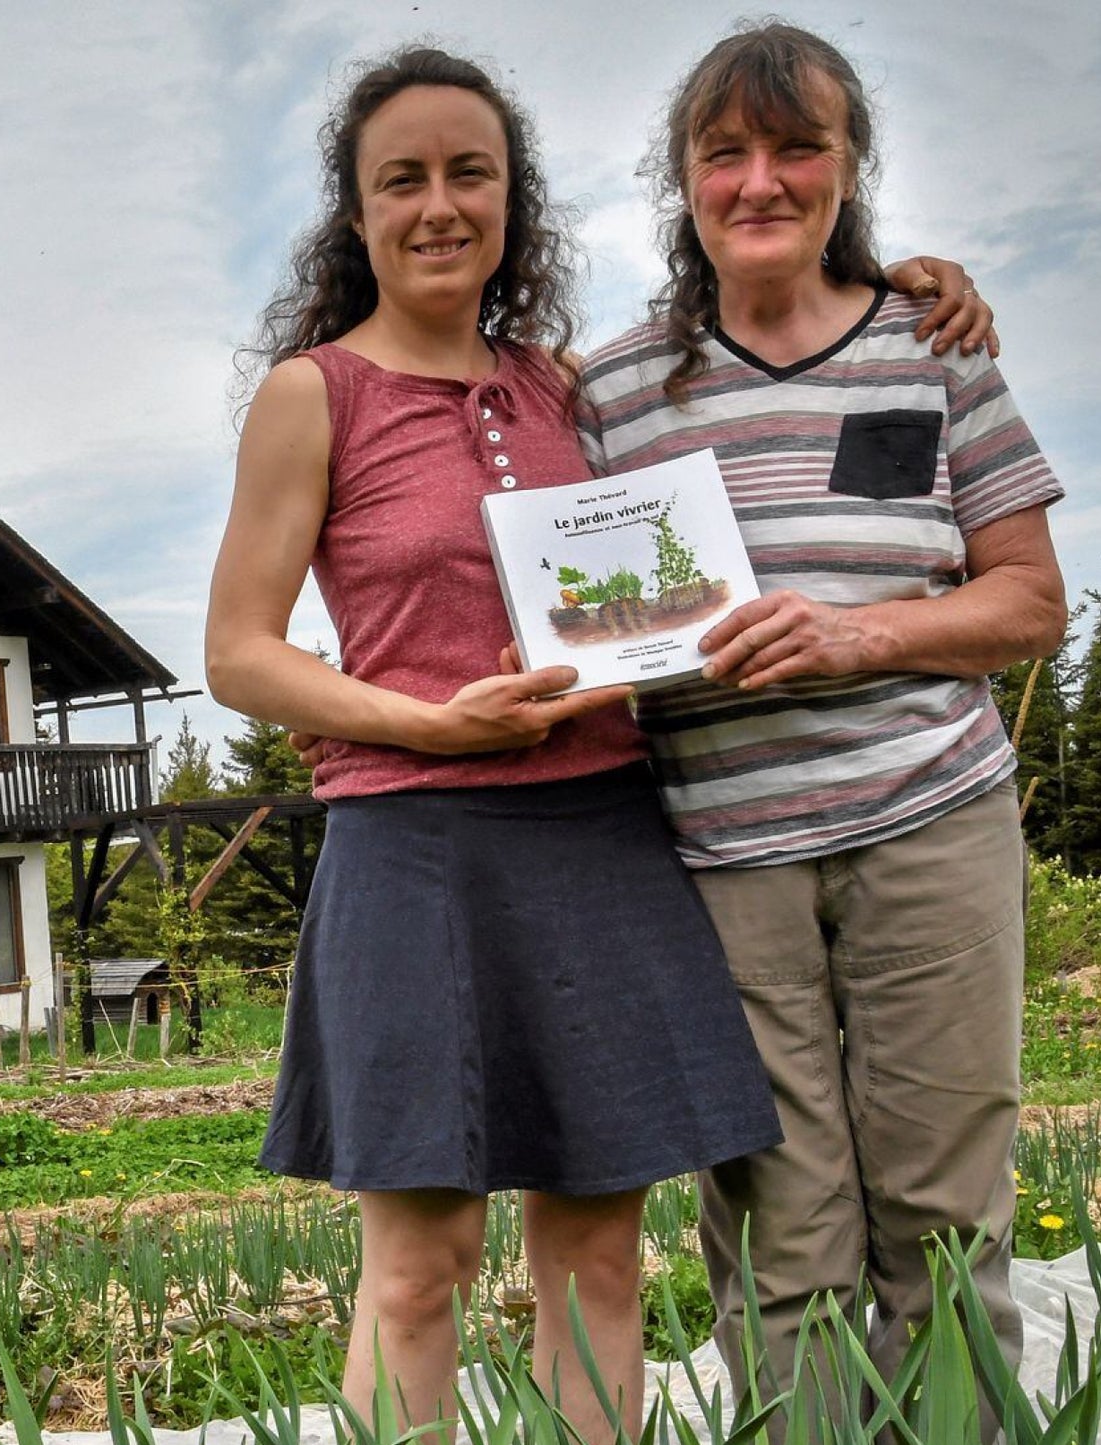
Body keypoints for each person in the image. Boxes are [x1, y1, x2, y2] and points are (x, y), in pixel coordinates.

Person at [210, 44, 991, 1442]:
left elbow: (748, 367)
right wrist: (423, 722)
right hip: (413, 848)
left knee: (597, 1259)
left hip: (602, 834)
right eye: (404, 179)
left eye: (471, 173)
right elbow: (239, 656)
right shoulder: (310, 395)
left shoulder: (574, 390)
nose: (440, 204)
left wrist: (908, 280)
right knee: (420, 1268)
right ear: (355, 210)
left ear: (515, 202)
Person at [580, 21, 1065, 1440]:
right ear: (680, 179)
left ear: (850, 166)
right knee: (777, 1229)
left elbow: (1028, 600)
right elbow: (569, 602)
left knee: (940, 1213)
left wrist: (855, 632)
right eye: (722, 151)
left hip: (929, 821)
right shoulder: (613, 393)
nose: (760, 180)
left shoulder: (934, 347)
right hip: (726, 855)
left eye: (798, 146)